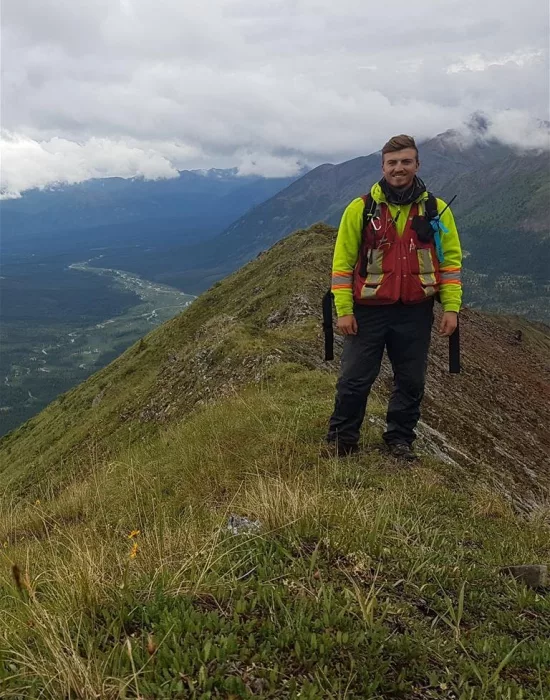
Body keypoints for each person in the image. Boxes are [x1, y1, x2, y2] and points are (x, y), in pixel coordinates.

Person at [326, 134, 462, 461]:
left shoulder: (437, 211)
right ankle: (343, 440)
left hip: (416, 311)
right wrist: (344, 311)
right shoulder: (360, 210)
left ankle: (399, 440)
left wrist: (451, 308)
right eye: (392, 162)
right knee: (354, 379)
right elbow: (342, 266)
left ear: (417, 164)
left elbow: (450, 262)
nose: (399, 168)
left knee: (411, 381)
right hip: (367, 312)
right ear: (382, 166)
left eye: (405, 161)